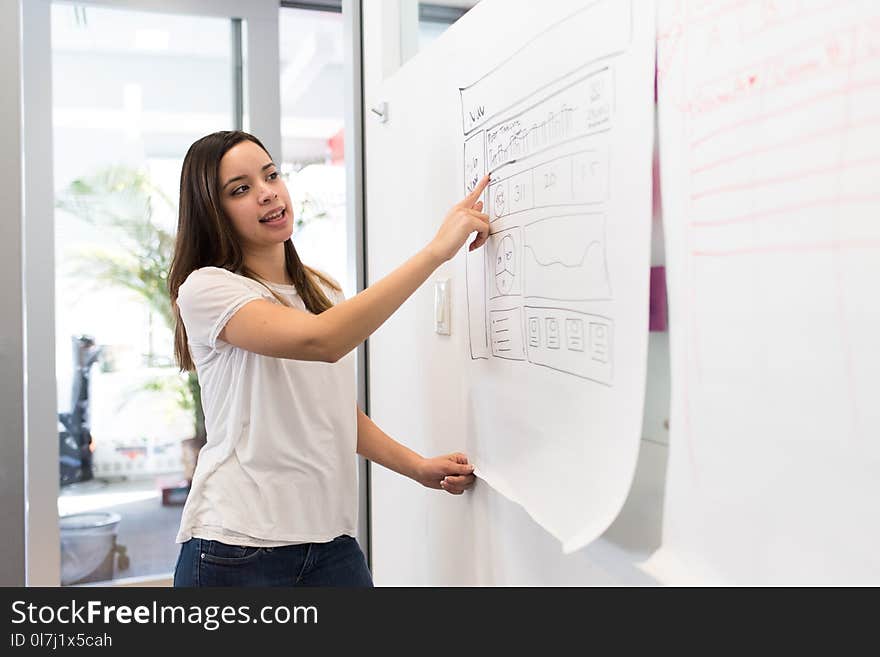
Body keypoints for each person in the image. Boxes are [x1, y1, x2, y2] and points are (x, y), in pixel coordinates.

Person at [168, 130, 490, 587]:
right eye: (240, 190)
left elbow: (332, 413)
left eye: (271, 175)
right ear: (213, 212)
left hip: (331, 543)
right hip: (236, 548)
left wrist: (417, 467)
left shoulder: (320, 293)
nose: (267, 194)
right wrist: (438, 251)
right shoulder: (207, 289)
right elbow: (324, 341)